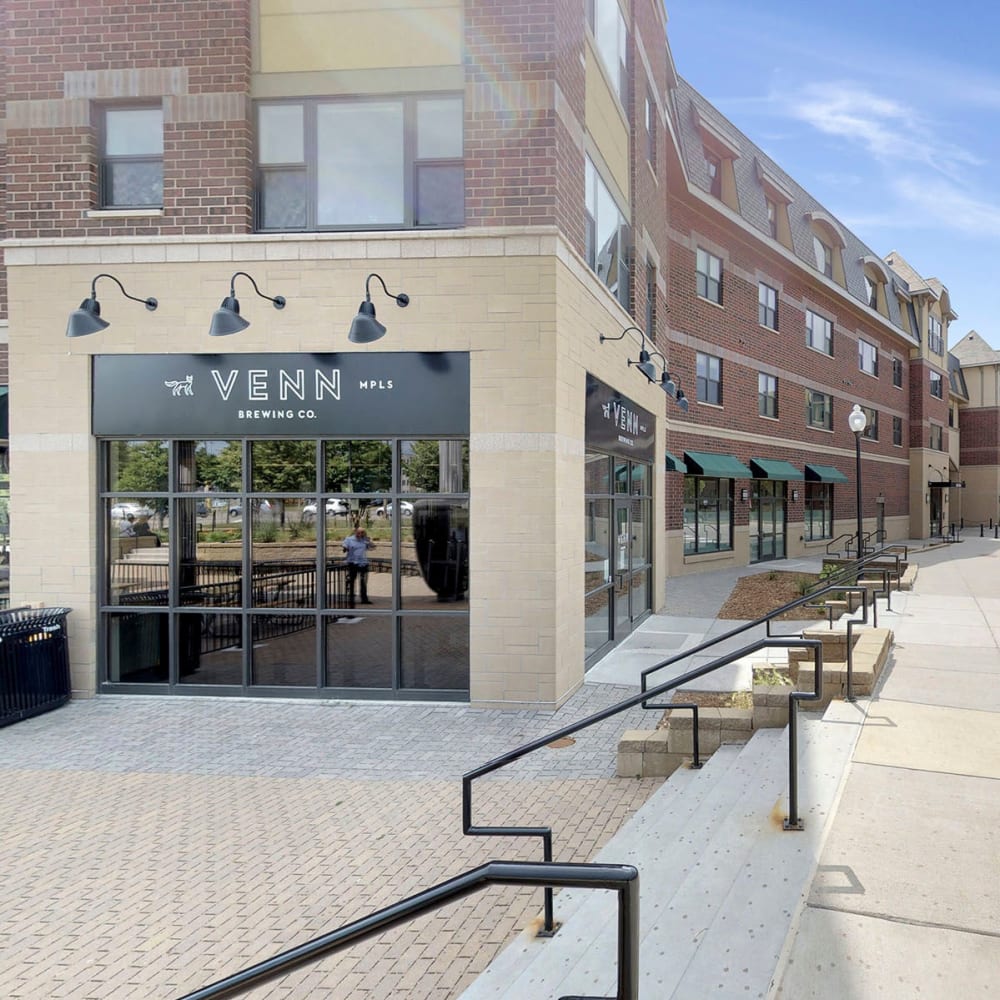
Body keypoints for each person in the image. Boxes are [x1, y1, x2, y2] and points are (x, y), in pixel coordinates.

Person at [342, 525, 374, 608]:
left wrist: (369, 541)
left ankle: (364, 599)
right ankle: (351, 598)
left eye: (362, 533)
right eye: (359, 532)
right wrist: (345, 548)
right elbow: (344, 547)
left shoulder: (365, 540)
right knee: (352, 581)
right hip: (353, 562)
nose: (360, 534)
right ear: (355, 532)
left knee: (363, 582)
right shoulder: (349, 539)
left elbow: (372, 547)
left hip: (363, 563)